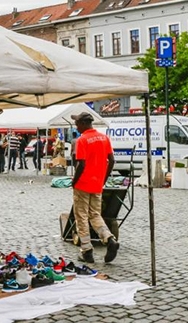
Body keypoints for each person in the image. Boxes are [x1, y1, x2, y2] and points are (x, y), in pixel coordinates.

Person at [71, 111, 119, 264]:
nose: (76, 126)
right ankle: (109, 239)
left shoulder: (82, 140)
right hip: (97, 184)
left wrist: (74, 181)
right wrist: (103, 179)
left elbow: (81, 164)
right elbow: (111, 161)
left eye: (77, 123)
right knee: (95, 215)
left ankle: (86, 250)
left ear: (84, 124)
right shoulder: (104, 138)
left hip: (83, 184)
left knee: (82, 217)